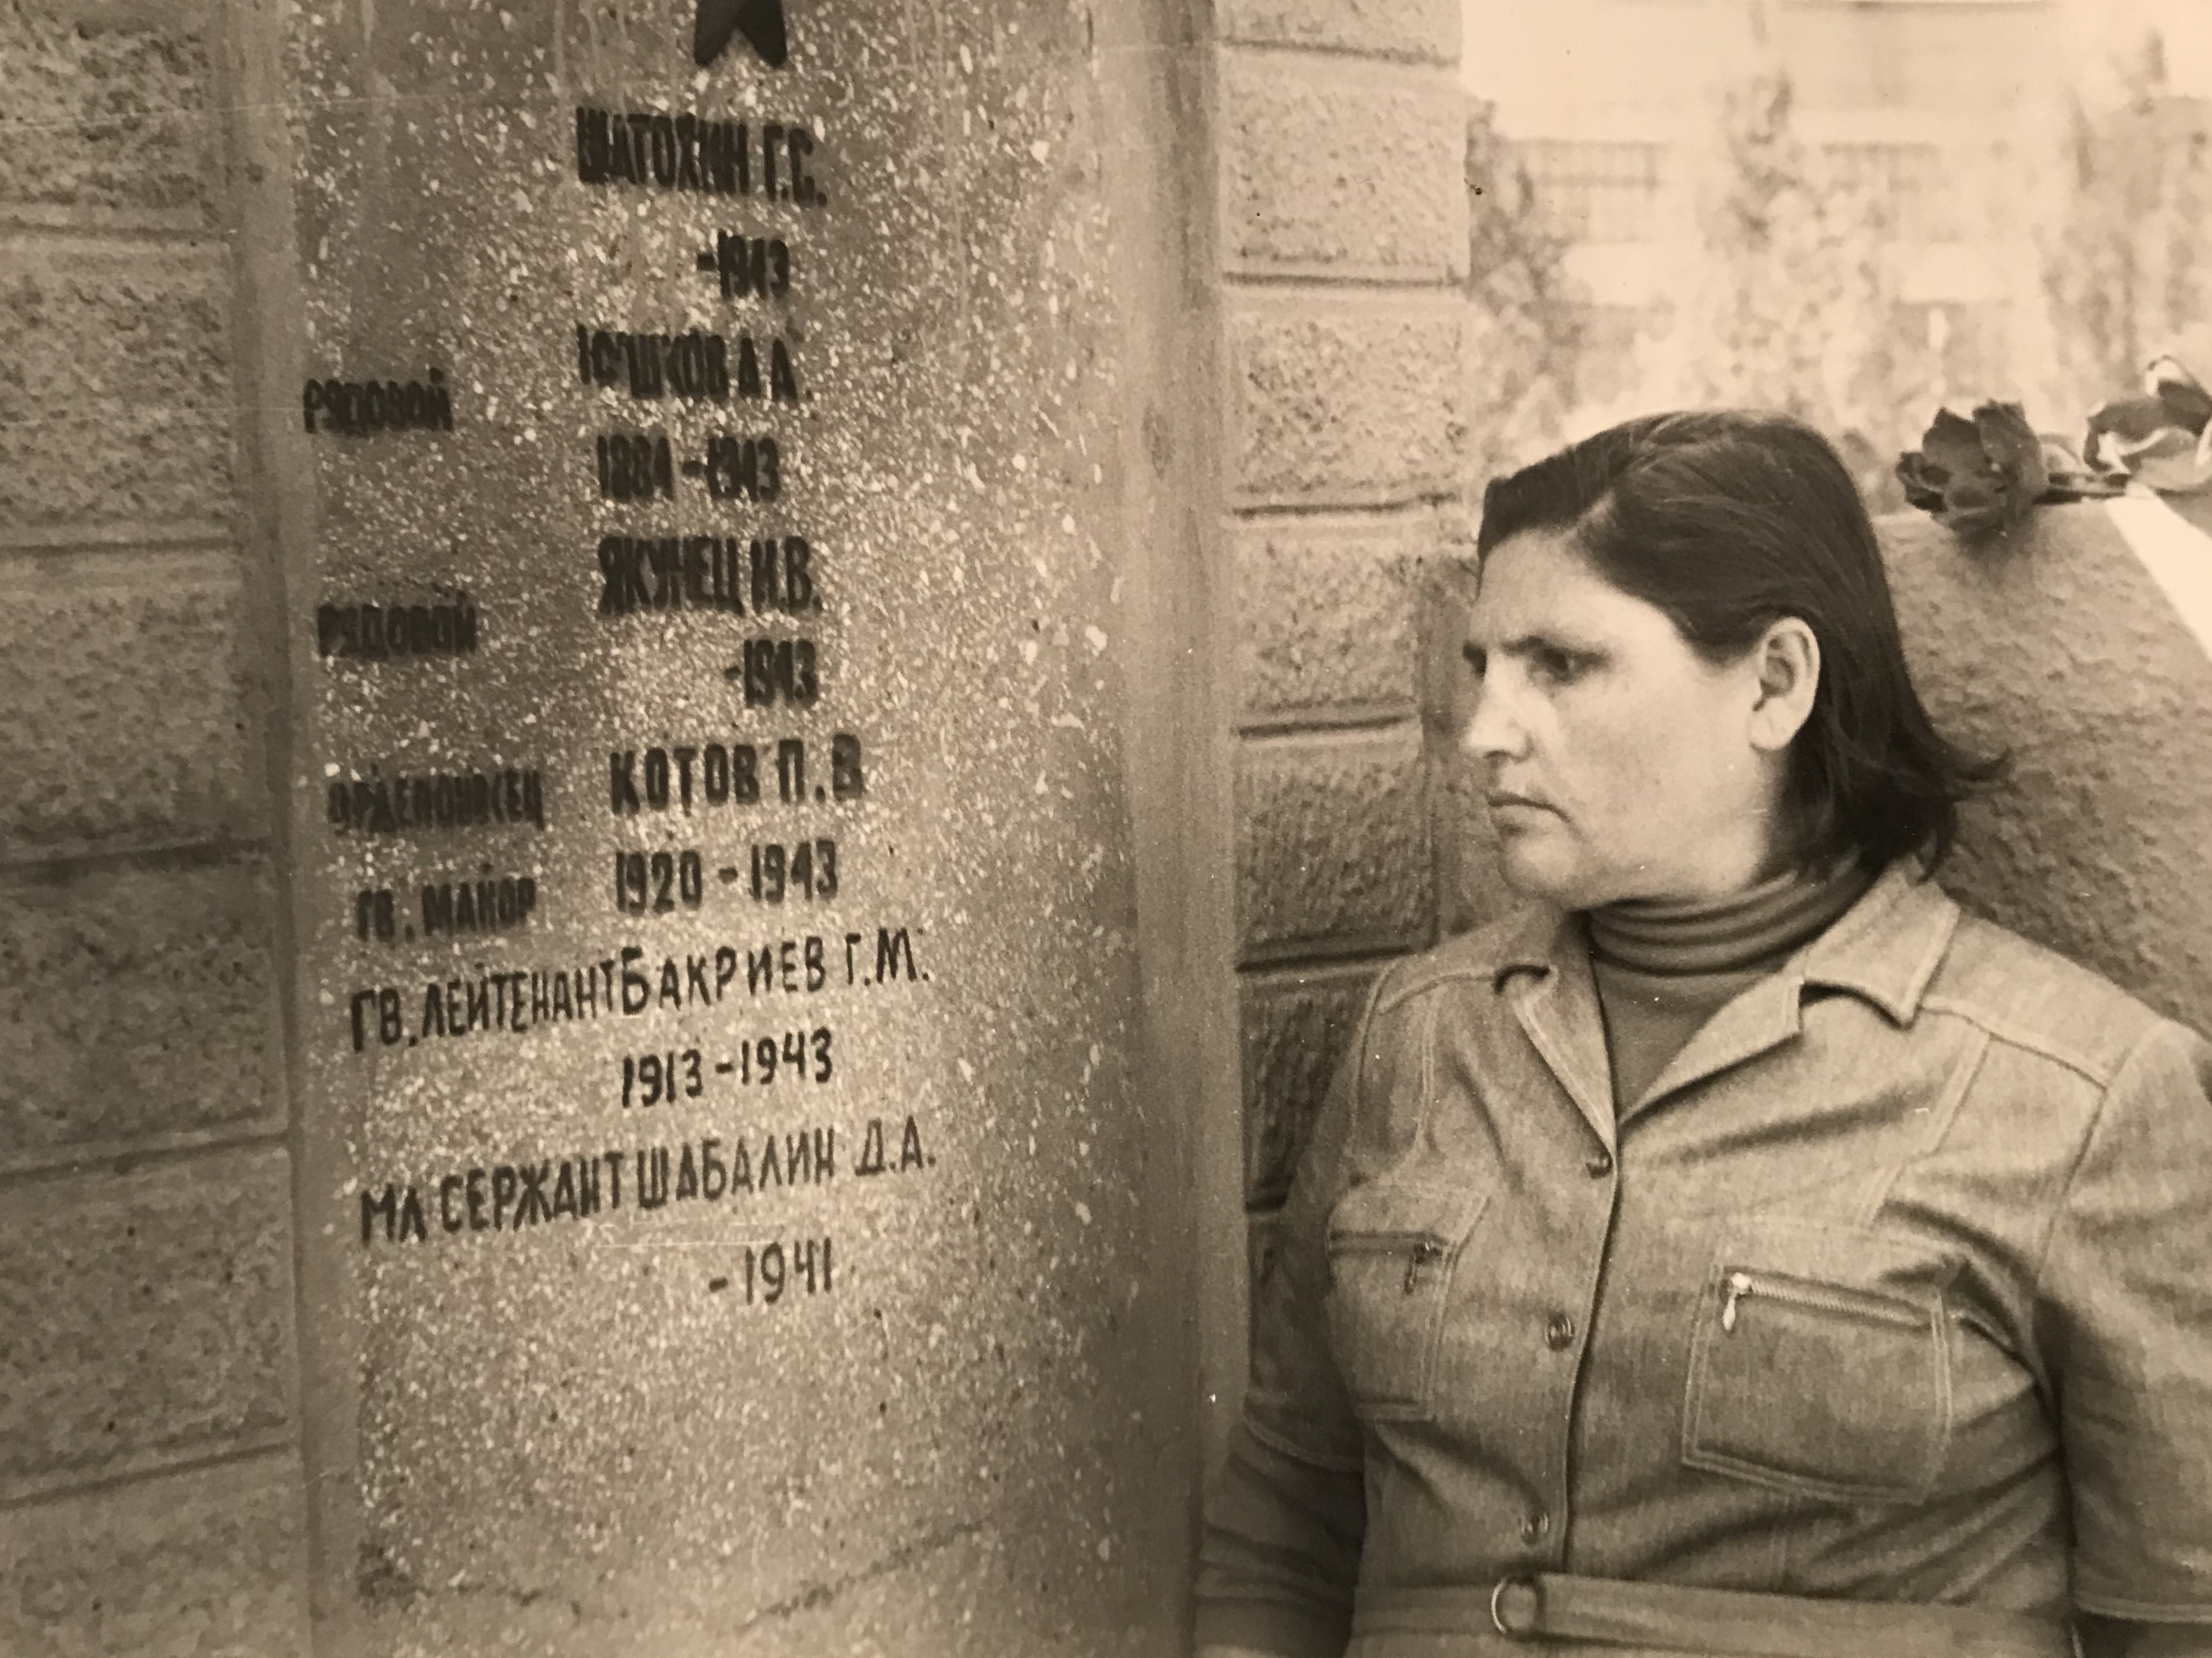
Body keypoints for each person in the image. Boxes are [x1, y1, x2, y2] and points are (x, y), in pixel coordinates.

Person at [1195, 411, 2212, 1658]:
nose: (1486, 730)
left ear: (1775, 683)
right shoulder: (1418, 1036)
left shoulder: (2085, 1094)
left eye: (1561, 665)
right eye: (1483, 665)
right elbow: (1285, 1527)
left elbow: (2181, 1621)